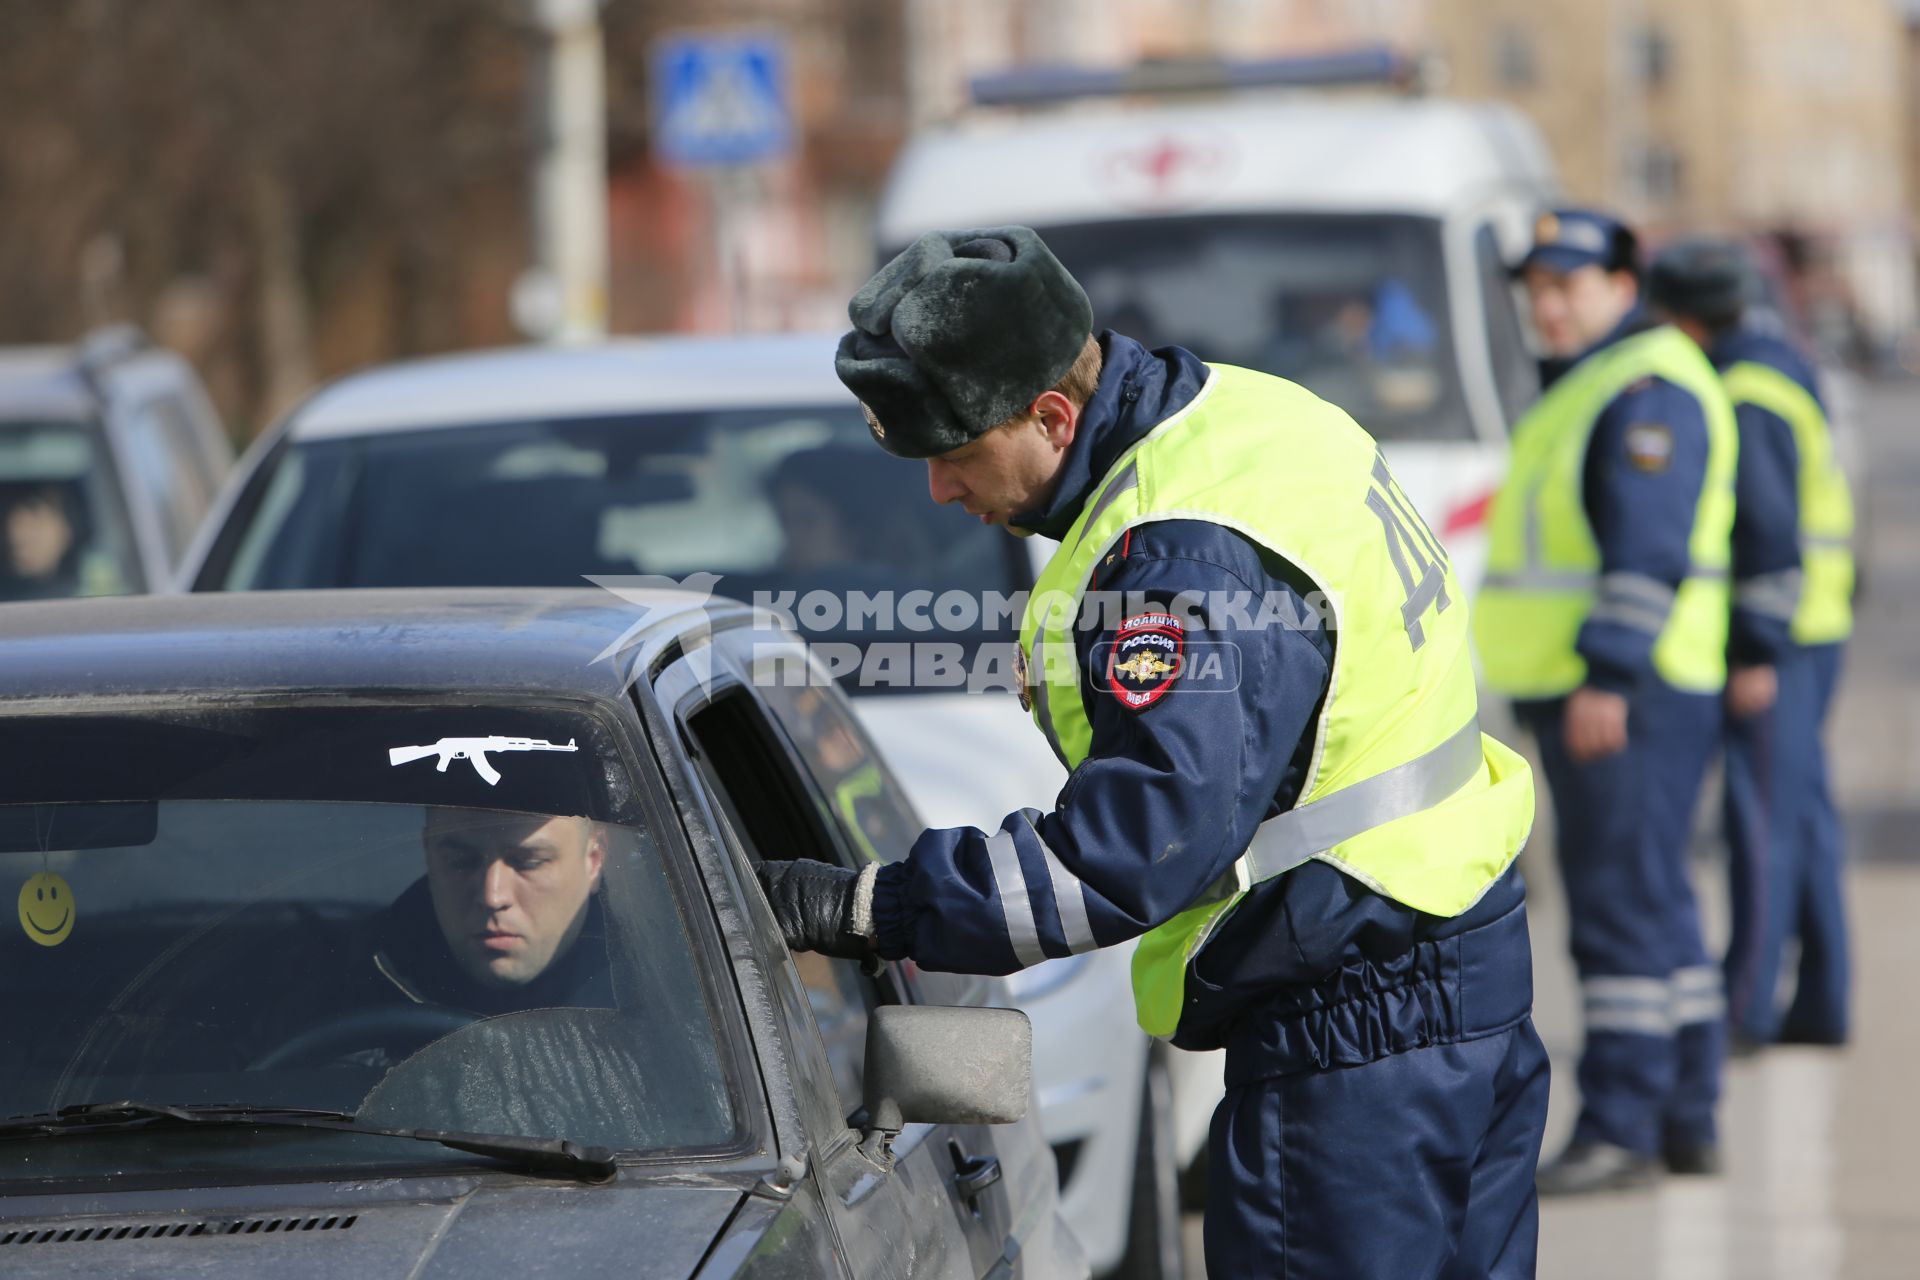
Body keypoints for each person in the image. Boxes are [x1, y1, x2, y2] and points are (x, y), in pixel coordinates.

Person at [757, 226, 1545, 1277]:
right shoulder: (1248, 415)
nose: (943, 492)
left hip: (1353, 1025)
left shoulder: (1178, 552)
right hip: (1453, 951)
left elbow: (1128, 853)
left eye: (954, 453)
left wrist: (871, 907)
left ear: (1050, 413)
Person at [1475, 210, 1739, 1194]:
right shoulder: (1600, 380)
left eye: (1568, 284)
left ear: (1624, 286)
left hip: (1626, 691)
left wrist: (1608, 675)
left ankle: (1625, 1121)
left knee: (1620, 907)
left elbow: (1648, 547)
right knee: (1654, 899)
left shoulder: (1642, 384)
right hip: (1621, 685)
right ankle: (1685, 1109)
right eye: (1536, 287)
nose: (1547, 304)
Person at [1649, 240, 1854, 1049]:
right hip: (1812, 627)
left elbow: (1768, 534)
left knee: (1761, 821)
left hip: (1783, 638)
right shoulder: (1772, 359)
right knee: (1801, 815)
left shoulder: (1744, 389)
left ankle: (1748, 1006)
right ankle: (1821, 1002)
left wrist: (1756, 651)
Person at [363, 808, 613, 1014]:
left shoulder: (648, 989)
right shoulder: (354, 986)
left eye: (528, 863)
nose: (492, 897)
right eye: (460, 861)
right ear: (429, 856)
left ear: (594, 860)